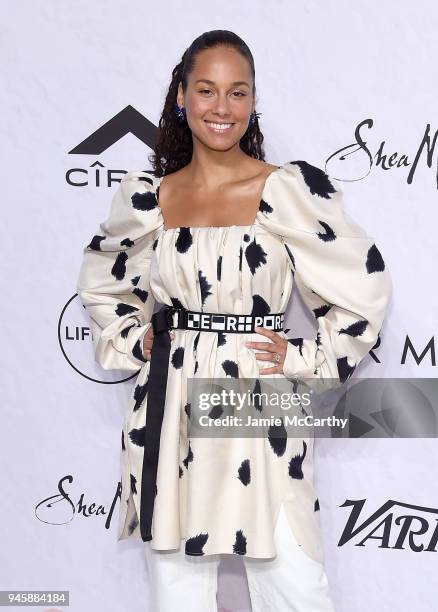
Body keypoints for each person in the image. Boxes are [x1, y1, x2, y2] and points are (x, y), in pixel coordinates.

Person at [76, 30, 392, 612]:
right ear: (181, 96)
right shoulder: (149, 197)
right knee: (177, 589)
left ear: (252, 101)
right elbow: (103, 280)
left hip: (259, 400)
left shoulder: (287, 189)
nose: (222, 108)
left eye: (237, 92)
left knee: (294, 582)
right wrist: (133, 337)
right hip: (170, 405)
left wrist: (306, 359)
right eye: (207, 90)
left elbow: (363, 283)